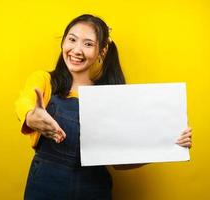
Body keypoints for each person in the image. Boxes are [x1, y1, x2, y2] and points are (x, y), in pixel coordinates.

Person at [15, 14, 192, 200]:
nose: (77, 50)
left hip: (94, 190)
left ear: (102, 51)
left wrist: (168, 144)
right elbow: (24, 102)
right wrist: (31, 116)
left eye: (88, 44)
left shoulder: (110, 97)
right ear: (63, 42)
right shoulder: (45, 80)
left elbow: (121, 163)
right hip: (45, 185)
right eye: (72, 39)